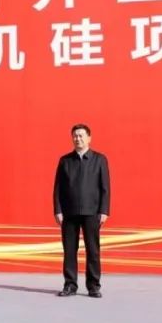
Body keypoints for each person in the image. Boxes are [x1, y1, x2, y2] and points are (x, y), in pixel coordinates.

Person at [53, 124, 110, 298]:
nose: (78, 139)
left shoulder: (99, 160)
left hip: (92, 212)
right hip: (69, 213)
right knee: (69, 251)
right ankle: (70, 285)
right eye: (75, 136)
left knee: (93, 250)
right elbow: (57, 188)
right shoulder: (65, 161)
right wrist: (58, 210)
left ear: (89, 138)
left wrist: (104, 210)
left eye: (81, 136)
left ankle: (93, 286)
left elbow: (105, 188)